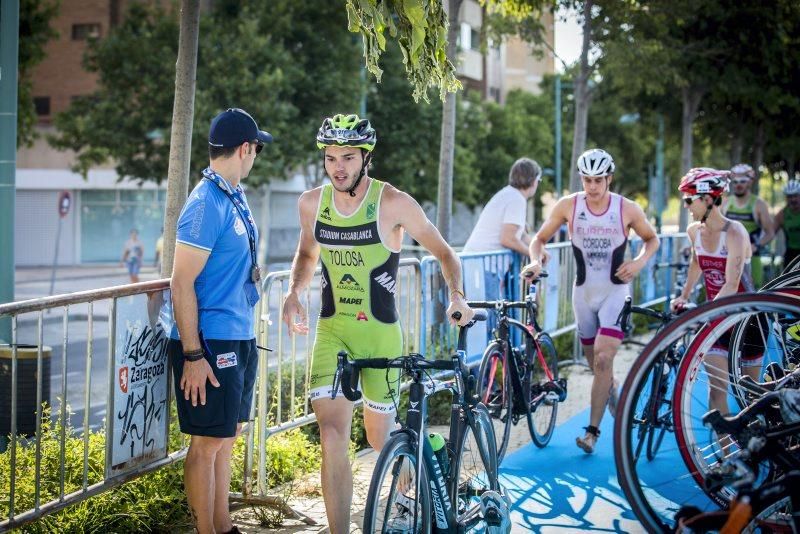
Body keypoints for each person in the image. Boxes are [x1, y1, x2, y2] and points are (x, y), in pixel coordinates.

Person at [281, 113, 474, 532]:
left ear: (365, 157)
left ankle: (423, 471)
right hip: (333, 332)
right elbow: (307, 255)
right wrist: (295, 291)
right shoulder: (311, 204)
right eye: (331, 158)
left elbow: (445, 254)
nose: (338, 166)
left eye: (347, 157)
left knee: (380, 439)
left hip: (381, 335)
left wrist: (456, 297)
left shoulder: (394, 203)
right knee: (332, 434)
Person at [168, 107, 272, 534]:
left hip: (239, 334)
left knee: (226, 437)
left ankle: (224, 528)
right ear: (245, 149)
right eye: (257, 149)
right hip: (209, 343)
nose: (256, 157)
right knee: (207, 443)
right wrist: (193, 354)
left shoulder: (233, 193)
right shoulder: (204, 203)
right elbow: (180, 283)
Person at [521, 148, 659, 454]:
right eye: (587, 180)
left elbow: (652, 239)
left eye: (598, 180)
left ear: (609, 178)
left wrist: (638, 262)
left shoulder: (627, 208)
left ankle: (592, 432)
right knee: (593, 364)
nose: (592, 186)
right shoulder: (569, 205)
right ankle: (613, 392)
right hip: (583, 294)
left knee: (603, 358)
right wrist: (535, 260)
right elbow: (538, 239)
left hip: (615, 292)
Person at [670, 168, 762, 417]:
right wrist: (684, 296)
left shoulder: (735, 232)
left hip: (747, 320)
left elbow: (732, 285)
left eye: (690, 200)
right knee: (717, 389)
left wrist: (702, 313)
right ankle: (727, 454)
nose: (686, 206)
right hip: (716, 317)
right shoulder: (694, 231)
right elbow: (696, 263)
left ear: (708, 199)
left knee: (750, 395)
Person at [463, 157, 541, 302]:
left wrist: (538, 249)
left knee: (481, 317)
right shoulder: (517, 199)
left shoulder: (508, 194)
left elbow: (521, 234)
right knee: (488, 319)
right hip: (485, 267)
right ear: (533, 180)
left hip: (477, 263)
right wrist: (534, 256)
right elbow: (507, 238)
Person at [722, 163, 774, 287]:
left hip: (751, 257)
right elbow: (720, 228)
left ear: (750, 182)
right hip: (728, 256)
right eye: (735, 181)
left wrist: (756, 245)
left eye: (743, 181)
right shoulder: (725, 203)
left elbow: (770, 233)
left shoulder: (759, 204)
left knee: (752, 294)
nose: (738, 185)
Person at [775, 180, 800, 269]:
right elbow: (771, 233)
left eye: (795, 196)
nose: (793, 199)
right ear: (786, 197)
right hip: (791, 253)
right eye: (790, 196)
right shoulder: (782, 214)